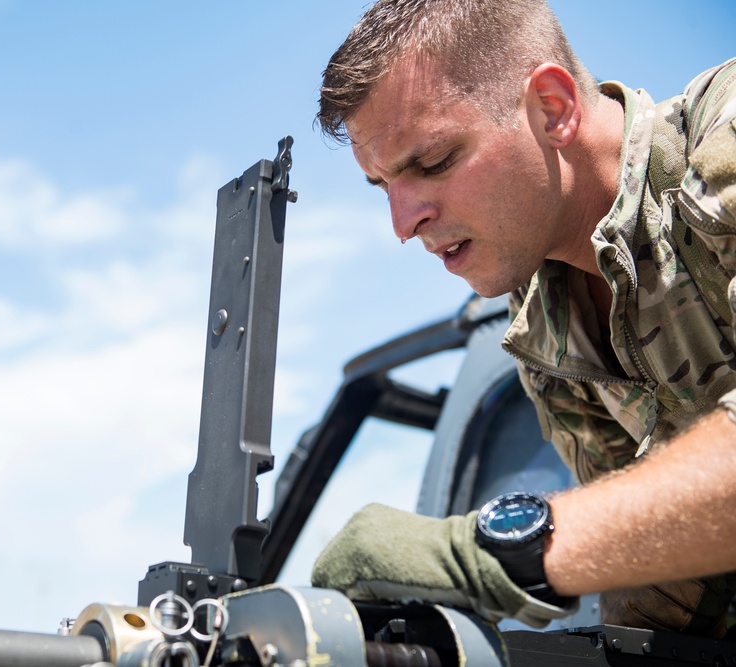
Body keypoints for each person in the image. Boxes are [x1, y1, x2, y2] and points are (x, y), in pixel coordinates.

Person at [310, 0, 736, 637]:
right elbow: (660, 587)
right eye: (382, 185)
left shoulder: (724, 134)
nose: (402, 225)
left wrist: (485, 556)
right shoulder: (544, 331)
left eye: (431, 162)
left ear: (553, 109)